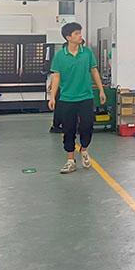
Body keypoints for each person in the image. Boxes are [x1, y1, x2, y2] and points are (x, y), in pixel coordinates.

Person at [49, 22, 106, 174]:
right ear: (68, 37)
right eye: (77, 33)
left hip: (85, 97)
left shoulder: (86, 53)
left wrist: (101, 90)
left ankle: (84, 149)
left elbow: (94, 71)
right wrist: (52, 97)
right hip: (67, 99)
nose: (80, 35)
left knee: (87, 126)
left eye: (80, 32)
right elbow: (56, 77)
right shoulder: (60, 56)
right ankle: (70, 161)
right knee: (69, 130)